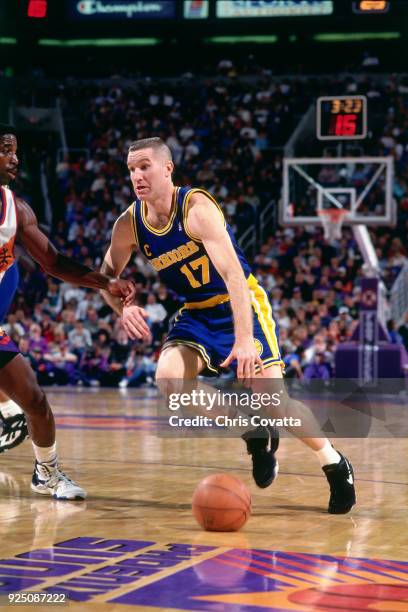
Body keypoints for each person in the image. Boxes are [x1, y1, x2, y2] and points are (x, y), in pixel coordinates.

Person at [100, 137, 356, 514]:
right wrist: (122, 307)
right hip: (197, 312)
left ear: (167, 169)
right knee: (169, 379)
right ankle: (251, 430)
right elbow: (106, 276)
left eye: (144, 166)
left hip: (240, 303)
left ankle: (334, 463)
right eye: (131, 169)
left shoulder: (196, 208)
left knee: (274, 400)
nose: (137, 176)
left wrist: (244, 341)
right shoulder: (130, 224)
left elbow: (233, 274)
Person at [0, 123, 135, 499]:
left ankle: (47, 474)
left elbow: (53, 262)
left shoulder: (16, 209)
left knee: (36, 402)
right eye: (6, 150)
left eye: (15, 150)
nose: (15, 158)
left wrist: (104, 282)